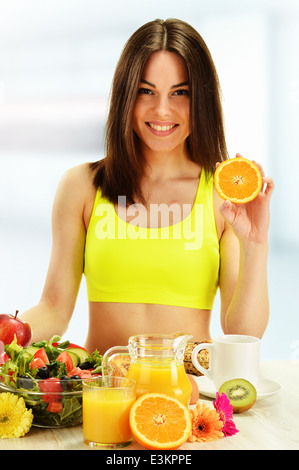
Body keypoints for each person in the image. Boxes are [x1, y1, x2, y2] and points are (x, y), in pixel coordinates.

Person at [20, 18, 274, 355]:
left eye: (180, 92)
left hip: (192, 394)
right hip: (104, 390)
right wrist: (10, 333)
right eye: (146, 91)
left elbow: (243, 334)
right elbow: (53, 308)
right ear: (126, 95)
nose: (162, 110)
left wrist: (255, 245)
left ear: (202, 99)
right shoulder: (81, 187)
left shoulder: (221, 198)